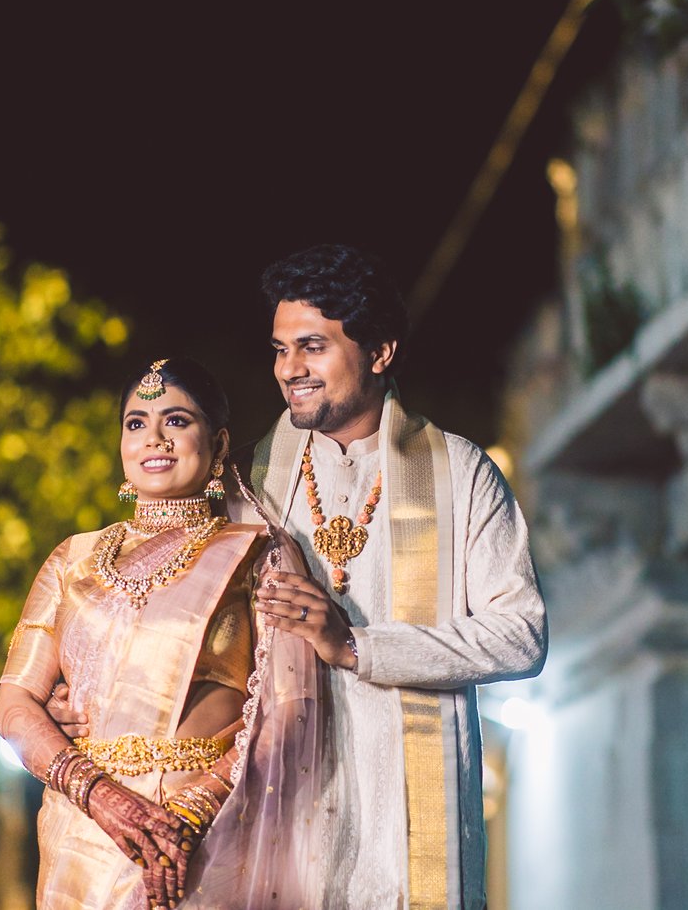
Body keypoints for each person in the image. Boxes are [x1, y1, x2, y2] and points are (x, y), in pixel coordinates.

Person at [240, 243, 548, 909]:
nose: (290, 368)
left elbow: (521, 636)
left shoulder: (460, 472)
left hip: (409, 834)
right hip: (289, 823)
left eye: (313, 347)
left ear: (379, 352)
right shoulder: (259, 480)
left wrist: (356, 645)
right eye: (280, 349)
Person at [0, 357, 328, 909]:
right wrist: (100, 796)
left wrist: (193, 812)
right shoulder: (72, 559)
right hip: (83, 833)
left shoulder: (256, 554)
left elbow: (291, 709)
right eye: (136, 423)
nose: (154, 438)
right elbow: (14, 702)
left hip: (203, 834)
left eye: (176, 420)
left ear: (219, 444)